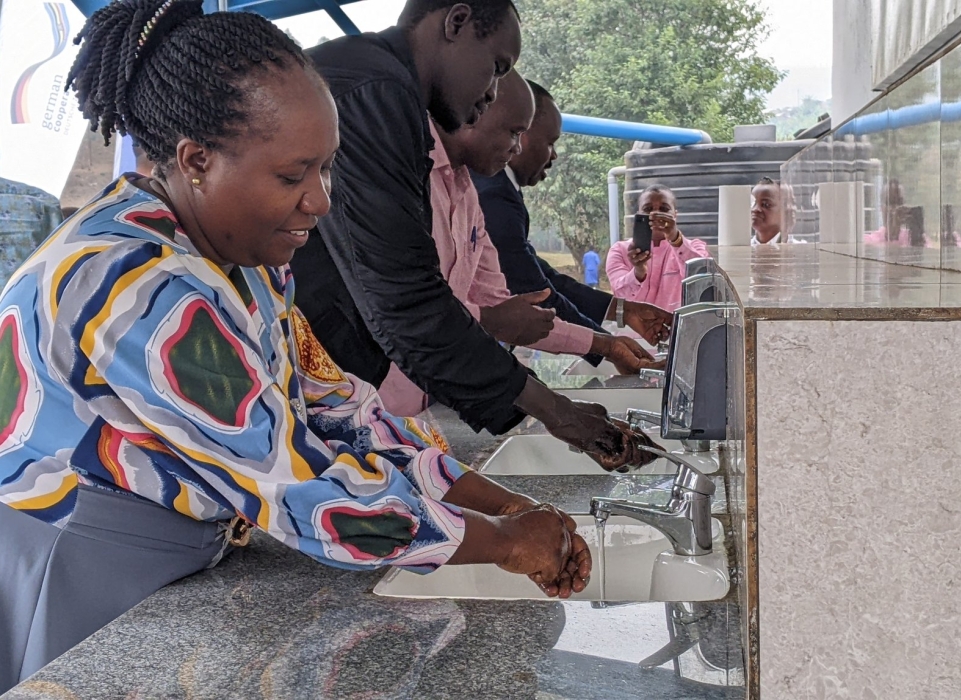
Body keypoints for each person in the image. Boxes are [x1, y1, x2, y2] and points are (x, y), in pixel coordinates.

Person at [0, 0, 592, 691]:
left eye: (327, 170)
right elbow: (304, 487)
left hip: (178, 564)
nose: (322, 201)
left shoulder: (244, 261)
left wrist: (507, 507)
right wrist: (503, 544)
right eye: (293, 176)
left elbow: (343, 412)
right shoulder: (139, 285)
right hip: (85, 575)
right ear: (196, 160)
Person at [288, 0, 652, 471]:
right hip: (318, 398)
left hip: (368, 403)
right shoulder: (375, 93)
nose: (492, 92)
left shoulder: (407, 118)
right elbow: (406, 298)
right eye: (496, 68)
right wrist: (559, 414)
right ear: (456, 23)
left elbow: (447, 299)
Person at [377, 71, 657, 414]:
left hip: (430, 399)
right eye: (514, 132)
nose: (518, 146)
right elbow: (416, 306)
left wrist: (606, 345)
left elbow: (508, 304)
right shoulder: (409, 182)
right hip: (379, 400)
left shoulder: (469, 195)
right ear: (475, 113)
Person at [474, 80, 675, 340]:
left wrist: (622, 312)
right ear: (521, 132)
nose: (554, 155)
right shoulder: (493, 194)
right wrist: (605, 346)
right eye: (550, 143)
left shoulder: (504, 190)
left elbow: (540, 273)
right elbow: (533, 288)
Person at [606, 184, 710, 311]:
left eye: (664, 209)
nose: (655, 214)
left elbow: (704, 280)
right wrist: (638, 272)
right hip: (631, 331)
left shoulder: (695, 247)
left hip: (676, 328)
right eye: (648, 209)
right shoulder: (620, 251)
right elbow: (620, 296)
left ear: (675, 215)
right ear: (639, 214)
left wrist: (676, 240)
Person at [750, 176, 795, 247]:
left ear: (784, 211)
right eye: (752, 203)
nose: (755, 209)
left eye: (765, 204)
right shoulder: (741, 249)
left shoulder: (798, 248)